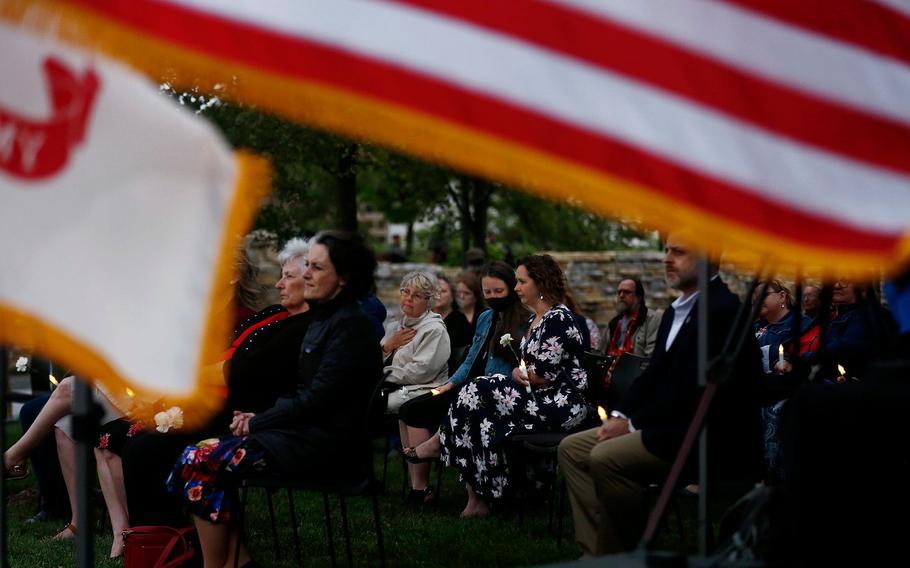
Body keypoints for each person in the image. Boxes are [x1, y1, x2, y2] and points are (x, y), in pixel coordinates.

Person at [168, 230, 382, 568]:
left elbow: (316, 400)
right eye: (307, 265)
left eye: (317, 268)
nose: (306, 273)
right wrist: (255, 416)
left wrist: (258, 421)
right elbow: (302, 394)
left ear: (344, 278)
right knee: (196, 456)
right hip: (301, 435)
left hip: (327, 448)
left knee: (198, 458)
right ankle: (234, 562)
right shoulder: (326, 319)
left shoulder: (350, 327)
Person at [558, 235, 762, 556]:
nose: (667, 258)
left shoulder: (722, 311)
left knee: (605, 457)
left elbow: (696, 392)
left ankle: (624, 553)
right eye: (666, 250)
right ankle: (596, 551)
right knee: (571, 449)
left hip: (701, 434)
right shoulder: (673, 312)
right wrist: (620, 415)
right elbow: (653, 376)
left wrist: (633, 424)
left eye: (678, 252)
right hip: (665, 426)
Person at [121, 238, 315, 529]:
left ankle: (164, 540)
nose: (278, 284)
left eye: (289, 276)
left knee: (146, 448)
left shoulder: (302, 327)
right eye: (282, 274)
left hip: (248, 419)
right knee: (135, 440)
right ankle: (155, 537)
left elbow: (241, 370)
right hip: (228, 407)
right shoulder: (274, 317)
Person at [410, 255, 590, 518]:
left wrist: (519, 372)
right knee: (477, 405)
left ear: (540, 284)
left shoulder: (558, 318)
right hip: (538, 398)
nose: (516, 288)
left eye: (521, 281)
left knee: (479, 391)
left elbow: (541, 375)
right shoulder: (535, 319)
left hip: (560, 405)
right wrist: (520, 373)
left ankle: (443, 444)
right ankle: (483, 496)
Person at [398, 262, 530, 504]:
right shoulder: (485, 317)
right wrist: (448, 384)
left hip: (488, 393)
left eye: (498, 291)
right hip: (463, 386)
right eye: (487, 292)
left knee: (433, 410)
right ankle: (420, 487)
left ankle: (438, 446)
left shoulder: (524, 321)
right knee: (410, 409)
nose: (492, 297)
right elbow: (471, 358)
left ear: (511, 289)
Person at [381, 272, 451, 504]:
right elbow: (375, 356)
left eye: (417, 295)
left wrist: (383, 377)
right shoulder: (397, 324)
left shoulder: (434, 329)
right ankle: (416, 486)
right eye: (405, 292)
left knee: (400, 407)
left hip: (428, 390)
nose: (408, 299)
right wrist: (387, 347)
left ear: (428, 300)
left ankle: (420, 487)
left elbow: (422, 371)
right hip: (400, 387)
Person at [600, 278, 661, 360]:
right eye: (619, 292)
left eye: (627, 292)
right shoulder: (613, 323)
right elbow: (601, 354)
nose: (621, 295)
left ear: (639, 297)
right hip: (611, 371)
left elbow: (651, 357)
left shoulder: (651, 320)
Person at [433, 274, 472, 351]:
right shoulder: (423, 316)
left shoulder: (460, 321)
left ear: (452, 297)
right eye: (434, 290)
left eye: (443, 291)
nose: (438, 294)